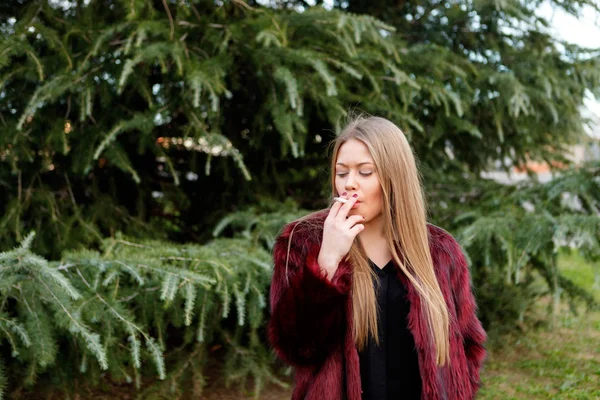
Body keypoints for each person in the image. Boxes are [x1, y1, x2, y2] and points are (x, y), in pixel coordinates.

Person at [267, 116, 486, 400]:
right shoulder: (302, 241)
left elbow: (468, 346)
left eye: (365, 172)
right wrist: (327, 261)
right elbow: (295, 348)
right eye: (342, 172)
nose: (349, 184)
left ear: (394, 178)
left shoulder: (441, 251)